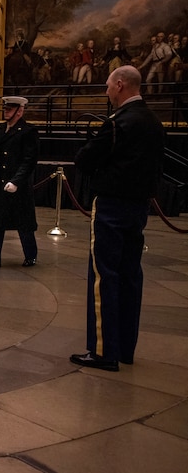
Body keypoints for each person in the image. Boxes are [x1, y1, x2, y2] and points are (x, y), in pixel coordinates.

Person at [70, 65, 164, 372]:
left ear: (120, 85)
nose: (107, 92)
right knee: (129, 275)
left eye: (109, 87)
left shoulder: (117, 123)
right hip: (139, 207)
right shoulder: (153, 121)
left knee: (104, 276)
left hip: (111, 205)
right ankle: (125, 347)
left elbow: (85, 160)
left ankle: (103, 351)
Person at [0, 96, 39, 268]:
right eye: (5, 108)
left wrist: (16, 181)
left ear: (20, 111)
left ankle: (30, 255)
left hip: (16, 185)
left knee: (23, 223)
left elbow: (29, 160)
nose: (6, 111)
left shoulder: (27, 131)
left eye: (10, 109)